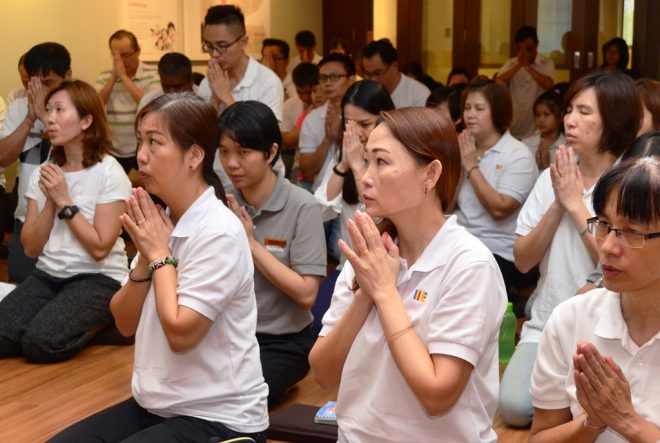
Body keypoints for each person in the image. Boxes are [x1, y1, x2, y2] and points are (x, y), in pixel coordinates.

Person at [50, 93, 269, 442]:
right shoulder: (162, 221)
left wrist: (158, 255)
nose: (140, 155)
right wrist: (147, 261)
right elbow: (123, 322)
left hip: (219, 418)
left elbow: (182, 334)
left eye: (154, 142)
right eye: (140, 141)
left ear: (194, 156)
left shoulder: (219, 232)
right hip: (156, 408)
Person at [309, 107, 507, 442]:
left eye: (381, 162)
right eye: (366, 161)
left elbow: (436, 395)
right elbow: (324, 373)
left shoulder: (469, 264)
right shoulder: (371, 251)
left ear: (430, 175)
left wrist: (385, 293)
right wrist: (366, 293)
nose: (366, 177)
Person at [500, 71, 642, 427]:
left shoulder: (630, 182)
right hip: (549, 318)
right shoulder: (555, 175)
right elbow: (522, 259)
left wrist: (577, 205)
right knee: (515, 408)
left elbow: (624, 256)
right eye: (569, 110)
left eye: (584, 111)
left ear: (613, 119)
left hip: (614, 323)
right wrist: (558, 203)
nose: (570, 120)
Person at [529, 156, 660, 442]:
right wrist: (592, 422)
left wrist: (627, 421)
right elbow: (539, 438)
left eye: (632, 232)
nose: (608, 247)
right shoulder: (571, 318)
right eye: (603, 225)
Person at [0, 80, 130, 362]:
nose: (50, 118)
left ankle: (110, 321)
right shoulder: (44, 174)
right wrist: (50, 203)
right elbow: (31, 248)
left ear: (85, 121)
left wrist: (65, 201)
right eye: (48, 110)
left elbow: (99, 248)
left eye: (60, 110)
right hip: (49, 274)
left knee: (40, 343)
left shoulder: (110, 172)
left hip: (98, 278)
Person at [218, 100, 326, 409]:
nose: (231, 163)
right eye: (224, 152)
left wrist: (251, 244)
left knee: (235, 402)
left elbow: (307, 294)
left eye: (243, 152)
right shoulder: (221, 201)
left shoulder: (301, 206)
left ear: (272, 152)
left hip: (283, 342)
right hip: (227, 338)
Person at [455, 79, 539, 307]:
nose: (470, 115)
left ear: (498, 112)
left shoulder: (518, 154)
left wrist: (471, 166)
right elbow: (447, 204)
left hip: (498, 250)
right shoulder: (464, 147)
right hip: (461, 239)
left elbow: (499, 208)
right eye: (467, 107)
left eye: (479, 109)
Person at [0, 42, 72, 284]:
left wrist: (45, 114)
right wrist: (31, 117)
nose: (42, 91)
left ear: (68, 76)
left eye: (49, 83)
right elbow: (3, 157)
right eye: (35, 84)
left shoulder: (80, 108)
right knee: (19, 283)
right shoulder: (19, 107)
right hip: (26, 219)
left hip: (69, 221)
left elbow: (76, 153)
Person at [314, 80, 394, 268]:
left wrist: (358, 165)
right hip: (348, 266)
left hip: (384, 265)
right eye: (349, 123)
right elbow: (321, 211)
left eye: (365, 124)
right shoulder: (346, 152)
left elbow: (376, 214)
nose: (356, 133)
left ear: (385, 118)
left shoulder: (395, 158)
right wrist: (343, 164)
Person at [197, 5, 283, 121]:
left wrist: (227, 98)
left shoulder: (268, 82)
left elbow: (265, 136)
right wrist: (215, 100)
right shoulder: (208, 82)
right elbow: (201, 134)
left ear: (243, 42)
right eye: (209, 46)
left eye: (222, 46)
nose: (214, 54)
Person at [96, 30, 160, 174]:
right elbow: (95, 105)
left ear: (138, 51)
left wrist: (124, 77)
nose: (121, 61)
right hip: (112, 149)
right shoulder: (104, 77)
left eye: (125, 55)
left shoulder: (152, 75)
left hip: (144, 147)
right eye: (116, 56)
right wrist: (114, 77)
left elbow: (151, 105)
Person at [298, 53, 356, 189]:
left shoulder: (364, 114)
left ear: (351, 79)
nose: (328, 83)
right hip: (322, 194)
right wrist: (328, 139)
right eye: (323, 78)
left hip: (358, 191)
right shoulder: (312, 119)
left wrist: (340, 137)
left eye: (335, 77)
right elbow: (307, 172)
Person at [497, 26, 554, 140]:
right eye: (520, 49)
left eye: (528, 49)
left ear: (536, 44)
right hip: (514, 124)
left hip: (535, 127)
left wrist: (527, 67)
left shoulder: (546, 63)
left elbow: (549, 85)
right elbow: (497, 83)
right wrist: (519, 65)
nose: (524, 53)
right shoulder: (511, 63)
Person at [362, 39, 431, 108]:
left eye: (377, 73)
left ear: (394, 67)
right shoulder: (364, 93)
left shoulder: (418, 94)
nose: (372, 80)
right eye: (368, 74)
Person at [522, 88, 566, 170]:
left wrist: (547, 166)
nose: (541, 120)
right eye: (537, 115)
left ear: (560, 117)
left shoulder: (567, 148)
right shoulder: (526, 144)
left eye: (546, 114)